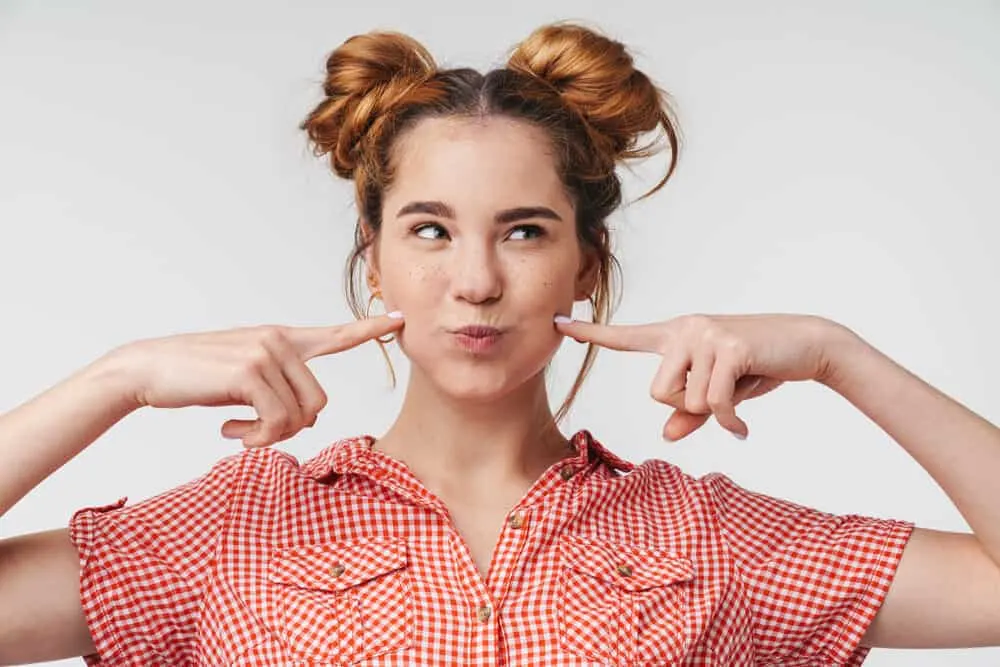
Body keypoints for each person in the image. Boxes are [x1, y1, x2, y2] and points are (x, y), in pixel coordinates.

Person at [1, 20, 999, 666]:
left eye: (524, 230)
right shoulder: (229, 532)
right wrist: (116, 379)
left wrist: (838, 354)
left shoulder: (707, 538)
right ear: (375, 260)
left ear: (586, 267)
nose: (475, 280)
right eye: (429, 230)